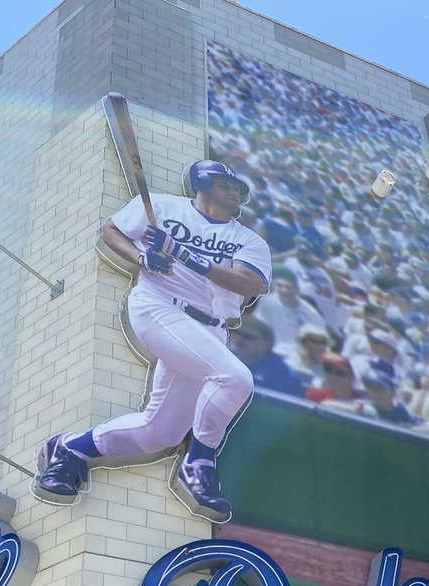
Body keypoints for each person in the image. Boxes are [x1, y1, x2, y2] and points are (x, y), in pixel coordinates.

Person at [31, 160, 272, 523]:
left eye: (237, 187)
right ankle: (200, 463)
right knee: (234, 378)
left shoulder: (249, 240)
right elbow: (111, 231)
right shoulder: (162, 207)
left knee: (160, 433)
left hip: (210, 328)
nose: (235, 191)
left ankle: (69, 450)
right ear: (202, 183)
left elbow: (246, 284)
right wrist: (143, 257)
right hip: (158, 306)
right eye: (225, 183)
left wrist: (182, 253)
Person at [231, 315, 306, 398]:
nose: (239, 340)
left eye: (248, 337)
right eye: (236, 333)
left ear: (268, 343)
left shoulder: (284, 377)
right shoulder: (227, 358)